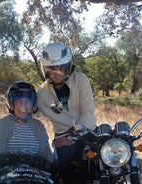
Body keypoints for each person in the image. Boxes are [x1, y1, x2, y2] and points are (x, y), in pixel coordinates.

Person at [36, 42, 97, 180]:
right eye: (52, 68)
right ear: (44, 68)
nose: (56, 73)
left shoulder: (80, 79)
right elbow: (27, 108)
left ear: (68, 66)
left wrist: (73, 136)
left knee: (103, 166)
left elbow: (87, 112)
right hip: (62, 138)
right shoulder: (41, 93)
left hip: (89, 132)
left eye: (61, 67)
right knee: (61, 172)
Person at [0, 81, 52, 163]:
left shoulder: (39, 126)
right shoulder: (2, 125)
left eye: (27, 102)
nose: (23, 106)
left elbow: (47, 157)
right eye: (19, 102)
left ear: (33, 105)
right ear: (12, 105)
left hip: (35, 172)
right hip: (7, 171)